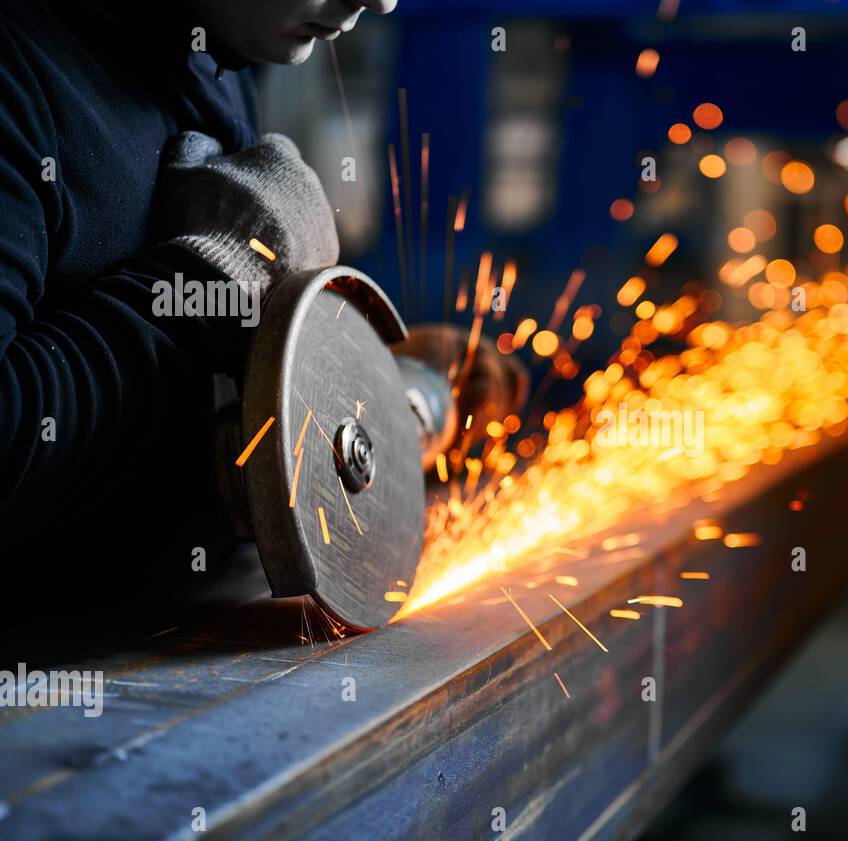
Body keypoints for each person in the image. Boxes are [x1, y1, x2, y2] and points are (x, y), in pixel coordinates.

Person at [0, 1, 515, 608]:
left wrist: (358, 371)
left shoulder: (221, 49)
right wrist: (219, 274)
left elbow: (172, 413)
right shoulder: (19, 77)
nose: (380, 2)